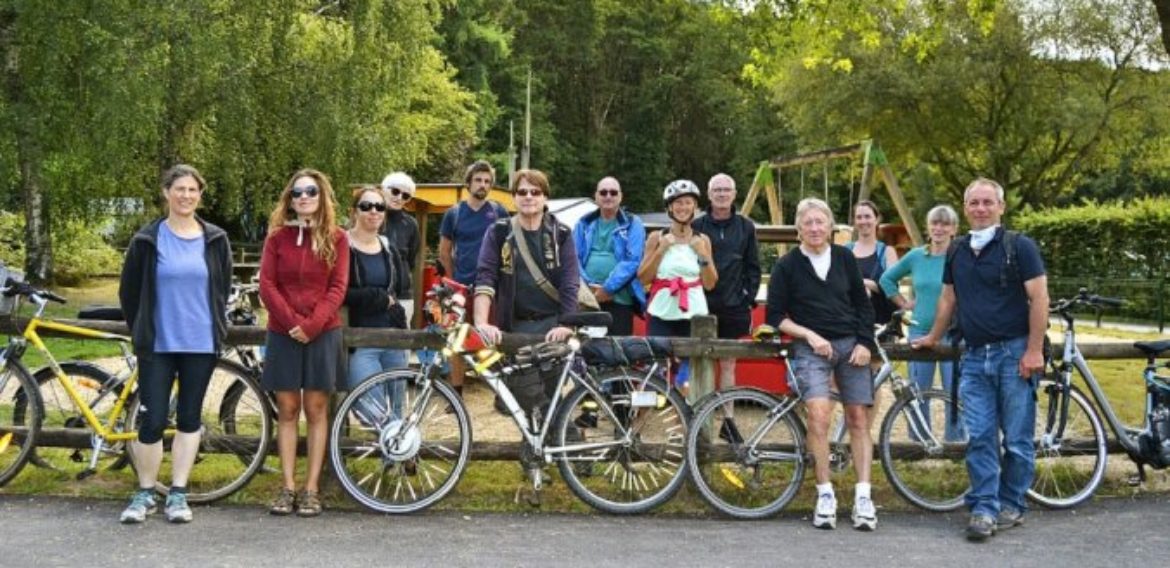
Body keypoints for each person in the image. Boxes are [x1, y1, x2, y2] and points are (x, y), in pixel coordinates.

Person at [913, 178, 1049, 542]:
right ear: (965, 207)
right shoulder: (957, 251)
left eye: (988, 202)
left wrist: (1034, 350)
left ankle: (1012, 503)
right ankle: (984, 508)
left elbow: (1039, 299)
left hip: (1013, 353)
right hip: (973, 356)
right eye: (974, 203)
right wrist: (932, 336)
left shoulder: (1019, 247)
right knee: (981, 437)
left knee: (1018, 440)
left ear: (1001, 207)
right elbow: (948, 300)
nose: (980, 208)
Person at [118, 164, 232, 524]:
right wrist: (141, 330)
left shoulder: (215, 239)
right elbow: (129, 292)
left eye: (192, 190)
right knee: (152, 420)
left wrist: (218, 327)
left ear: (200, 195)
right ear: (166, 193)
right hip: (158, 344)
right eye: (179, 189)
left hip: (200, 342)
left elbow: (222, 288)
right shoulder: (147, 240)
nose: (186, 196)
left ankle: (178, 494)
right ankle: (145, 492)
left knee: (189, 418)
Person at [765, 197, 877, 531]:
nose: (815, 228)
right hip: (811, 347)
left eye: (820, 222)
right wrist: (809, 335)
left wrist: (864, 343)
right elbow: (775, 316)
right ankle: (824, 492)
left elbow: (863, 305)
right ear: (799, 229)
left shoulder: (844, 258)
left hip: (849, 345)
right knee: (818, 414)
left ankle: (863, 495)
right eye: (808, 223)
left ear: (831, 227)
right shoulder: (787, 266)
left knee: (858, 418)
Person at [258, 168, 349, 517]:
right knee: (287, 410)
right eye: (297, 193)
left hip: (323, 332)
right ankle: (287, 487)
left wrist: (311, 325)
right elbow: (267, 284)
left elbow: (337, 287)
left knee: (315, 409)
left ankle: (311, 489)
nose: (304, 197)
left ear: (321, 196)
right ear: (290, 199)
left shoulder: (337, 238)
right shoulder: (276, 238)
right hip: (282, 333)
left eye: (310, 191)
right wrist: (292, 322)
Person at [879, 205, 965, 442]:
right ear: (928, 227)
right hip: (919, 330)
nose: (939, 228)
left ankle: (955, 441)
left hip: (953, 333)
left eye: (945, 224)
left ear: (954, 229)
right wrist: (904, 303)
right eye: (935, 223)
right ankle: (919, 441)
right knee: (918, 391)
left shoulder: (960, 256)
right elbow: (886, 279)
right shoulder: (917, 256)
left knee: (954, 391)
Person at [473, 168, 577, 346]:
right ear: (514, 198)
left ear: (545, 198)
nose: (528, 196)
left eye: (535, 192)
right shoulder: (499, 231)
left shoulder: (560, 234)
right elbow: (485, 278)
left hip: (554, 327)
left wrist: (567, 324)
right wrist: (482, 323)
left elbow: (570, 282)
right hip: (511, 326)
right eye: (522, 192)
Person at [691, 172, 760, 436]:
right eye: (716, 189)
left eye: (726, 189)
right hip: (702, 303)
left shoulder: (746, 227)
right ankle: (701, 419)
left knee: (729, 363)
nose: (721, 194)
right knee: (702, 363)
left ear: (734, 194)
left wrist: (748, 297)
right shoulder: (697, 225)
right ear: (709, 194)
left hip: (734, 303)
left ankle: (728, 421)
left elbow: (754, 266)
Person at [636, 180, 717, 402]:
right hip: (662, 309)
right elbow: (643, 277)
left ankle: (689, 428)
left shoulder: (703, 240)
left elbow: (710, 283)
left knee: (688, 376)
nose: (683, 207)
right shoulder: (656, 237)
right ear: (670, 208)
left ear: (695, 207)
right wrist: (661, 250)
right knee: (652, 372)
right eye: (678, 203)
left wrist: (702, 255)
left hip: (694, 312)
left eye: (688, 202)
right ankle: (636, 427)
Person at [439, 160, 508, 400]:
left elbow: (508, 249)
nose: (482, 185)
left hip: (491, 288)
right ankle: (456, 393)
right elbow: (444, 251)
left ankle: (501, 393)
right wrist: (451, 282)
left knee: (492, 339)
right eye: (478, 180)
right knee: (457, 341)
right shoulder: (454, 213)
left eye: (487, 181)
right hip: (462, 287)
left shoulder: (499, 212)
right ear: (468, 182)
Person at [343, 186, 411, 424]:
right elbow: (337, 291)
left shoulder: (388, 247)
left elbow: (399, 286)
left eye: (379, 207)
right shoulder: (342, 244)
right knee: (369, 409)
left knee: (396, 406)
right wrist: (376, 297)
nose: (373, 211)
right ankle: (402, 450)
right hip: (359, 339)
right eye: (366, 206)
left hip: (392, 334)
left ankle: (396, 457)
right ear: (354, 211)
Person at [572, 176, 646, 336]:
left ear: (620, 196)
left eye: (613, 192)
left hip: (620, 299)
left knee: (617, 353)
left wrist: (607, 288)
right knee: (585, 350)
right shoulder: (582, 224)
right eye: (603, 192)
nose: (608, 196)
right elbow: (573, 258)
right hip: (587, 299)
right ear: (596, 196)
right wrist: (589, 286)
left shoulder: (634, 223)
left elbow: (632, 261)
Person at [847, 200, 899, 326]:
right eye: (859, 217)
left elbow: (891, 288)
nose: (863, 221)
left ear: (877, 219)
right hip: (852, 321)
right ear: (854, 221)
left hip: (882, 322)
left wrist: (863, 282)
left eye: (867, 216)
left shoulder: (887, 252)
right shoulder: (845, 251)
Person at [380, 171, 420, 324]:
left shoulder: (410, 224)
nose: (399, 197)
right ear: (384, 189)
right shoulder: (369, 214)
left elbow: (411, 259)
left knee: (402, 343)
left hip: (403, 294)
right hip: (372, 293)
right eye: (395, 191)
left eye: (405, 196)